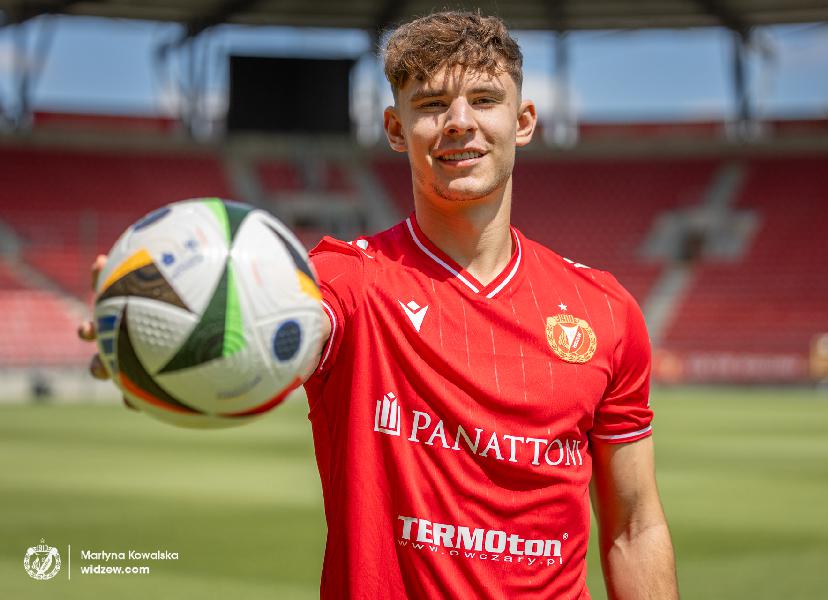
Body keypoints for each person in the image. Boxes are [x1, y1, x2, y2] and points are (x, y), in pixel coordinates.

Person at [79, 11, 678, 599]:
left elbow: (634, 527)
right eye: (432, 104)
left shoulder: (604, 309)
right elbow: (270, 315)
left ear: (522, 121)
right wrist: (150, 325)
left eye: (484, 100)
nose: (459, 122)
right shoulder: (348, 282)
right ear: (395, 129)